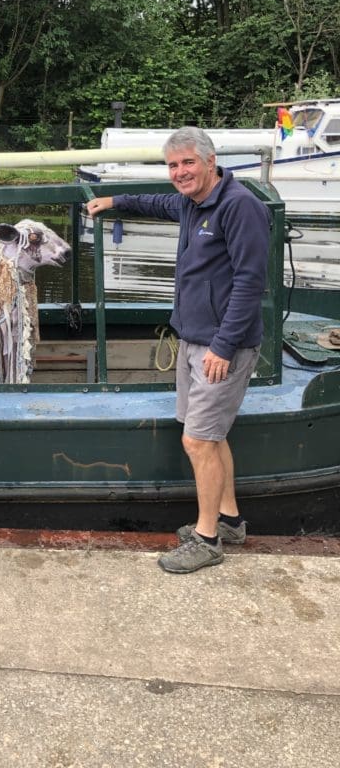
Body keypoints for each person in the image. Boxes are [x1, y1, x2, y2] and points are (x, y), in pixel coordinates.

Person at [86, 126, 271, 574]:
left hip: (220, 346)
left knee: (198, 441)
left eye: (188, 162)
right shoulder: (192, 203)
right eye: (173, 165)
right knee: (210, 435)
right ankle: (229, 521)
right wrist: (112, 202)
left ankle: (207, 540)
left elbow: (251, 283)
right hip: (193, 339)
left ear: (211, 161)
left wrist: (223, 346)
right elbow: (155, 202)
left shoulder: (239, 206)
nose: (180, 172)